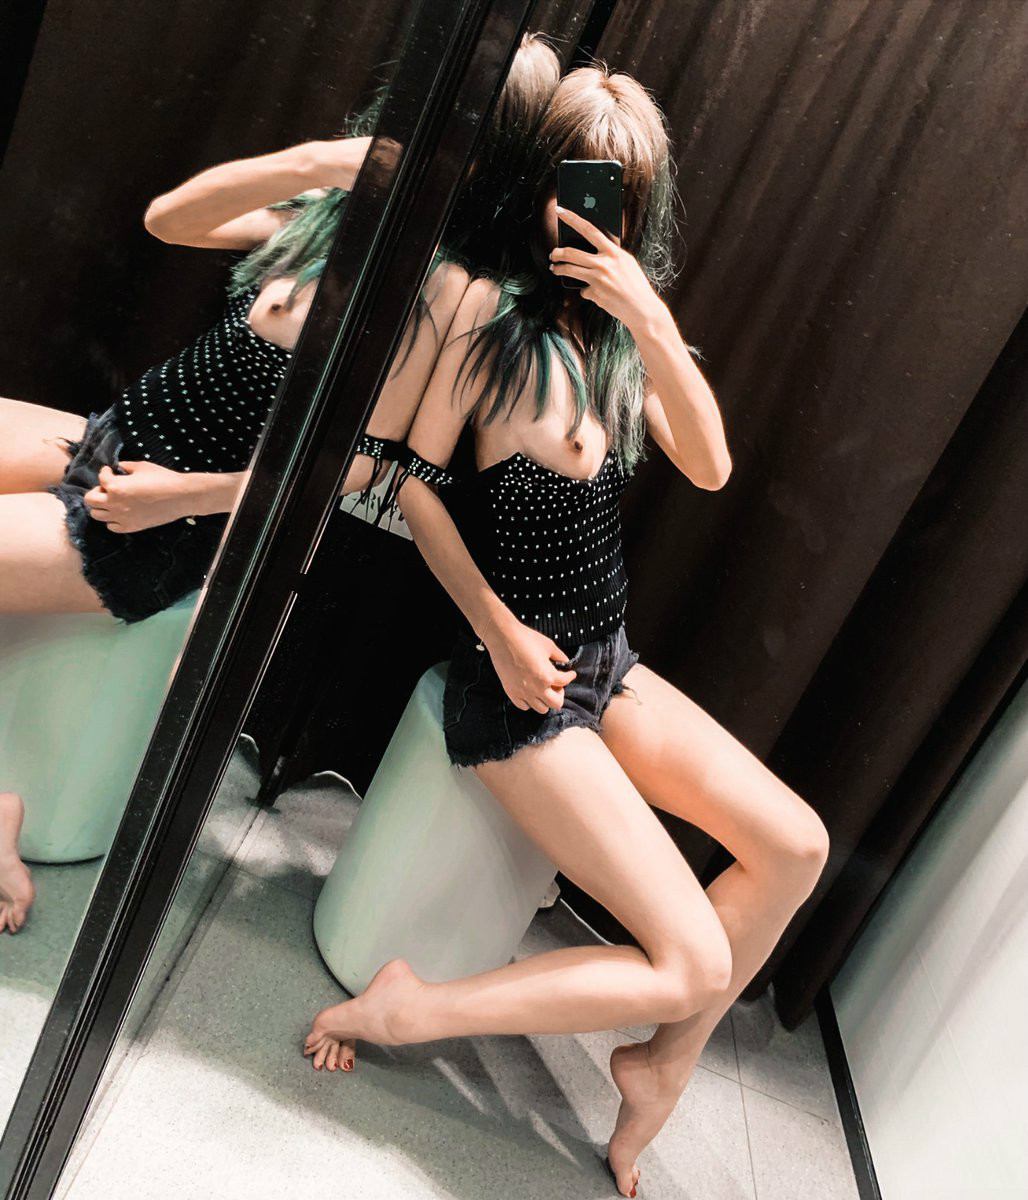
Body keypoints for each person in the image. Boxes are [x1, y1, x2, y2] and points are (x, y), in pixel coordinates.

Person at [302, 66, 830, 1200]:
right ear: (541, 184)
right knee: (690, 959)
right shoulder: (488, 318)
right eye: (576, 187)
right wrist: (494, 630)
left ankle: (662, 1067)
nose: (589, 217)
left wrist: (649, 315)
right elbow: (416, 487)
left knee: (796, 846)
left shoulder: (617, 341)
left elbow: (711, 465)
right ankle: (412, 1010)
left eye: (617, 200)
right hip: (517, 684)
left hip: (606, 662)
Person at [0, 33, 563, 934]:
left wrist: (177, 498)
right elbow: (168, 220)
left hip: (152, 522)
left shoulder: (447, 288)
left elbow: (364, 466)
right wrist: (318, 165)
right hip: (114, 434)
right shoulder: (336, 209)